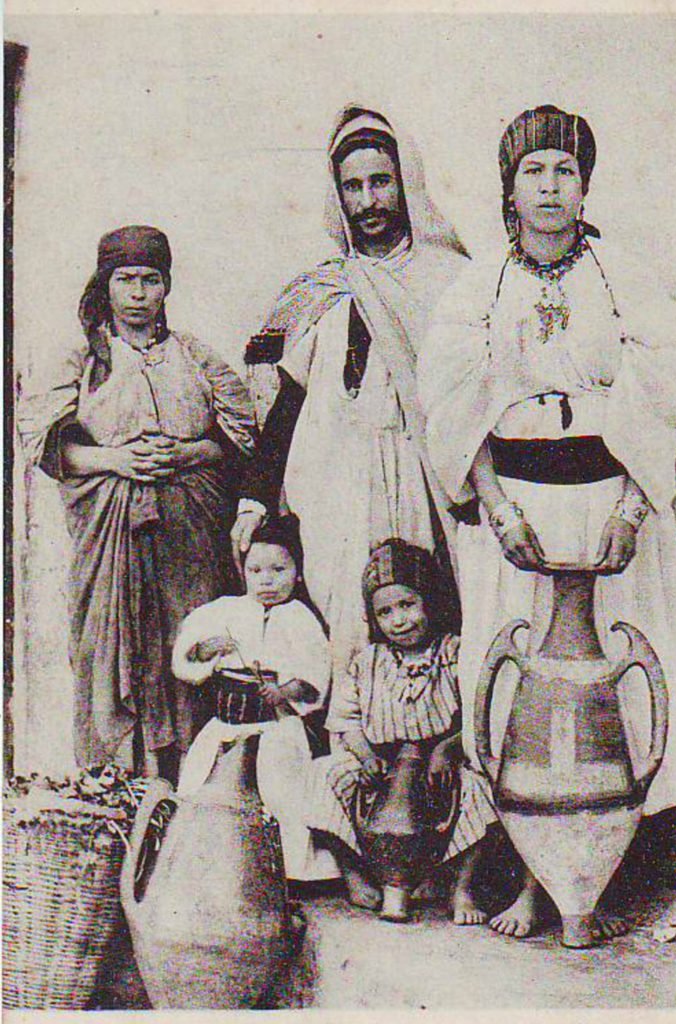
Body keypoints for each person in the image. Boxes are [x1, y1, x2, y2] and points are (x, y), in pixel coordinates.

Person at [419, 106, 676, 943]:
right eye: (534, 171)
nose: (549, 187)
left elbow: (663, 386)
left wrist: (630, 506)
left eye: (564, 172)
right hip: (520, 515)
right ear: (508, 186)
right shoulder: (479, 287)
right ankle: (530, 876)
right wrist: (495, 505)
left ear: (586, 185)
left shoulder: (623, 276)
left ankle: (594, 874)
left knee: (616, 683)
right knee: (516, 688)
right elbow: (452, 398)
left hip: (606, 505)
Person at [231, 105, 469, 678]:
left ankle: (427, 748)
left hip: (418, 478)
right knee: (344, 622)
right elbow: (289, 402)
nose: (367, 202)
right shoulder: (328, 288)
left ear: (406, 183)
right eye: (352, 186)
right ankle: (351, 748)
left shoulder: (451, 281)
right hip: (331, 483)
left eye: (380, 182)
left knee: (423, 610)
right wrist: (256, 497)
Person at [17, 225, 256, 780]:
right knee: (113, 657)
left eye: (151, 280)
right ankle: (123, 792)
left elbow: (237, 438)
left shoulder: (193, 354)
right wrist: (117, 461)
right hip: (111, 538)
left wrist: (186, 454)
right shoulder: (82, 358)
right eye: (126, 280)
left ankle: (191, 791)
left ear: (166, 286)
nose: (139, 293)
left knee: (190, 653)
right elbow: (49, 446)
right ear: (106, 286)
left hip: (189, 543)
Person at [309, 538, 495, 924]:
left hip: (438, 769)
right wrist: (365, 756)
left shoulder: (454, 652)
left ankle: (462, 889)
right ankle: (355, 874)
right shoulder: (368, 660)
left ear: (430, 601)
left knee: (481, 789)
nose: (399, 620)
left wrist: (449, 747)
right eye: (385, 612)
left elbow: (481, 714)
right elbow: (345, 720)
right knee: (324, 773)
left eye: (408, 605)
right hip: (383, 766)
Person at [172, 514, 339, 882]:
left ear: (298, 572)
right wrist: (207, 649)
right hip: (226, 726)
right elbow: (186, 656)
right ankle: (207, 869)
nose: (266, 580)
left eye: (278, 569)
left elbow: (315, 677)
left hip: (276, 728)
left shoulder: (301, 619)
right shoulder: (223, 611)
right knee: (202, 788)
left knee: (281, 794)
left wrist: (283, 691)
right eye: (256, 570)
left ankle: (289, 873)